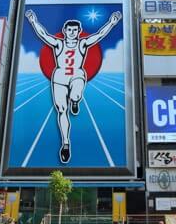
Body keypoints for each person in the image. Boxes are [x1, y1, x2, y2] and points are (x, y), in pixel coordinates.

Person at [24, 9, 122, 164]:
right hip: (60, 76)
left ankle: (75, 100)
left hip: (77, 74)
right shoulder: (58, 44)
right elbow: (43, 34)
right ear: (64, 31)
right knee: (62, 110)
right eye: (69, 30)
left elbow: (99, 35)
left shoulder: (83, 43)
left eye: (74, 30)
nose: (71, 32)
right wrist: (33, 21)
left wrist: (112, 22)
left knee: (75, 95)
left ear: (78, 31)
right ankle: (65, 143)